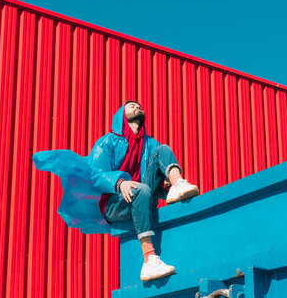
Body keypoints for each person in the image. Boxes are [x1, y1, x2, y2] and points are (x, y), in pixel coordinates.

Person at [33, 101, 199, 281]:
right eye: (132, 106)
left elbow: (155, 177)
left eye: (139, 106)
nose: (137, 108)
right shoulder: (108, 141)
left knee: (163, 149)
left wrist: (165, 184)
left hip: (142, 195)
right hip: (114, 204)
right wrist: (119, 183)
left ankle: (178, 183)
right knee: (140, 188)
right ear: (122, 114)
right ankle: (150, 260)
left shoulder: (150, 144)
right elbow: (96, 174)